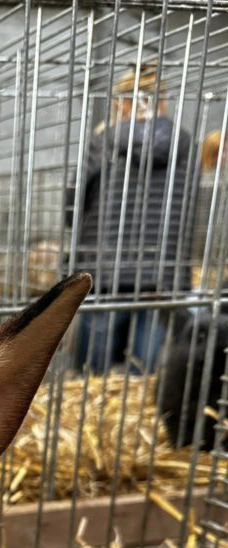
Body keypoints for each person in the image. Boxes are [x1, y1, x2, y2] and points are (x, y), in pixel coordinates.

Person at [72, 67, 191, 375]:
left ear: (124, 102)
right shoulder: (181, 140)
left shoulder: (104, 140)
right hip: (162, 268)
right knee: (144, 373)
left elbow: (77, 193)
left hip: (108, 266)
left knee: (91, 375)